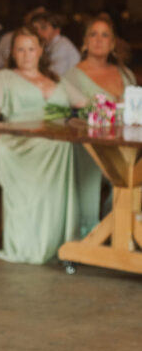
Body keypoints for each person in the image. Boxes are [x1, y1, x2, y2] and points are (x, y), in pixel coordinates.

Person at [0, 27, 86, 264]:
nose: (27, 54)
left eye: (31, 48)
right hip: (22, 145)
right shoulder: (4, 78)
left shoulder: (56, 79)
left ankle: (62, 243)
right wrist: (4, 146)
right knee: (54, 148)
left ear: (40, 51)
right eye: (20, 49)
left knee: (68, 148)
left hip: (59, 145)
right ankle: (29, 244)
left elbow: (85, 105)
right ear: (13, 54)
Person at [63, 15, 136, 236]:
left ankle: (116, 230)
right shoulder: (73, 76)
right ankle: (88, 233)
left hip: (125, 144)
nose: (99, 40)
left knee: (131, 179)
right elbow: (70, 115)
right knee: (95, 173)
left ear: (113, 43)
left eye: (105, 35)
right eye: (93, 34)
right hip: (89, 145)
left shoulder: (125, 73)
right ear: (84, 42)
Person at [32, 11, 80, 76]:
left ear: (57, 31)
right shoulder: (47, 45)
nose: (38, 32)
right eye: (35, 29)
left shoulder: (62, 46)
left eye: (44, 28)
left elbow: (53, 75)